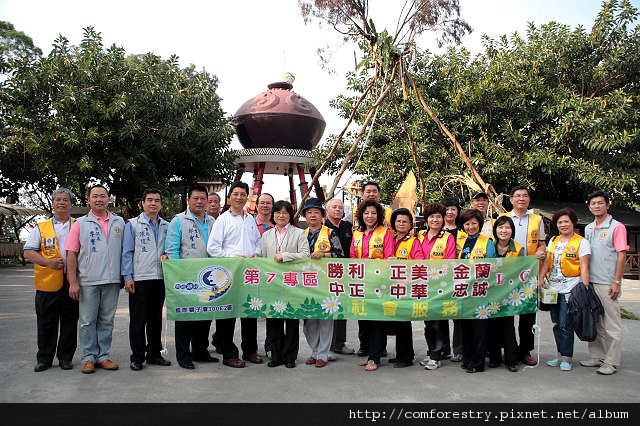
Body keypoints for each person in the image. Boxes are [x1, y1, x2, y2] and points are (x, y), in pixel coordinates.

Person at [65, 184, 125, 374]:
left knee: (107, 320)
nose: (99, 199)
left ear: (108, 199)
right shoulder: (80, 224)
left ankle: (103, 356)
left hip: (112, 281)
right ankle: (88, 357)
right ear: (89, 200)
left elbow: (126, 251)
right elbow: (71, 254)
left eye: (103, 196)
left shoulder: (119, 222)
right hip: (88, 281)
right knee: (87, 320)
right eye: (95, 196)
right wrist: (73, 282)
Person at [207, 181, 262, 368]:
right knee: (227, 315)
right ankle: (228, 353)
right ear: (230, 196)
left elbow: (257, 242)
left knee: (250, 312)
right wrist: (232, 258)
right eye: (236, 194)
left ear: (247, 197)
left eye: (243, 194)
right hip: (228, 274)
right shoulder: (223, 219)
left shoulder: (250, 219)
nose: (239, 197)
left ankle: (250, 350)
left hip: (248, 274)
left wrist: (256, 253)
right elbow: (213, 248)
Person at [24, 188, 79, 372]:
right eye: (58, 200)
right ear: (53, 203)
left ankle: (65, 358)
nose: (61, 203)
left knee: (70, 321)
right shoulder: (41, 227)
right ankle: (44, 359)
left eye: (65, 200)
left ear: (71, 204)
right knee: (46, 322)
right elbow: (28, 252)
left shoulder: (78, 225)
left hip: (71, 280)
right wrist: (48, 262)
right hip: (47, 283)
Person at [165, 185, 218, 369]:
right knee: (185, 317)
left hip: (208, 277)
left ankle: (200, 351)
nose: (199, 202)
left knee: (205, 315)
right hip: (186, 278)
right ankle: (183, 355)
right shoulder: (178, 221)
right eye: (195, 198)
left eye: (203, 199)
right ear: (188, 200)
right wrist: (178, 275)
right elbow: (172, 250)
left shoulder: (212, 221)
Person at [121, 188, 171, 371]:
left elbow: (169, 249)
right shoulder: (133, 224)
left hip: (160, 278)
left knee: (156, 319)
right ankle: (137, 356)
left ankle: (154, 354)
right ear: (142, 203)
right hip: (140, 278)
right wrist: (127, 277)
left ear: (161, 204)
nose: (153, 203)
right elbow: (127, 253)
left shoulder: (167, 226)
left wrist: (167, 256)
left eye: (157, 200)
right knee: (138, 320)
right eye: (149, 200)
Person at [582, 190, 628, 375]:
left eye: (600, 203)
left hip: (607, 282)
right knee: (594, 321)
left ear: (607, 205)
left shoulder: (617, 227)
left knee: (611, 324)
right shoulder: (588, 228)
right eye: (593, 203)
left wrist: (617, 281)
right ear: (589, 207)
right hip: (590, 281)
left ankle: (611, 361)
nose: (597, 206)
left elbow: (621, 255)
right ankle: (597, 356)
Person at [261, 200, 310, 368]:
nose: (281, 215)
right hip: (272, 282)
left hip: (292, 282)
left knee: (291, 320)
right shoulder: (266, 235)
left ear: (290, 215)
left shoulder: (299, 233)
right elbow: (263, 258)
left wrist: (286, 256)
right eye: (277, 212)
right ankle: (276, 356)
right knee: (273, 320)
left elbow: (305, 254)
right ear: (273, 215)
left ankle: (290, 357)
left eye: (285, 212)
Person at [541, 208, 590, 371]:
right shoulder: (553, 240)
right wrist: (541, 277)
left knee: (565, 323)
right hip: (553, 289)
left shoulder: (581, 242)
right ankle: (559, 355)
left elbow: (584, 265)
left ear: (573, 222)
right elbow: (547, 261)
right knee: (556, 323)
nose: (563, 225)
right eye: (560, 222)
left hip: (571, 289)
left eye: (566, 221)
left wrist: (585, 287)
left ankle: (567, 358)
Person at [350, 200, 394, 371]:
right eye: (366, 213)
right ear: (361, 215)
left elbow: (389, 256)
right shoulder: (357, 234)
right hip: (362, 283)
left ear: (379, 215)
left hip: (379, 283)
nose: (370, 216)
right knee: (365, 320)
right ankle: (370, 353)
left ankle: (375, 358)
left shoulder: (385, 232)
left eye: (373, 213)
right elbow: (353, 257)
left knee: (377, 321)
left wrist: (373, 265)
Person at [507, 185, 547, 366]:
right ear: (511, 200)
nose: (521, 199)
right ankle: (509, 349)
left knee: (528, 313)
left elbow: (542, 244)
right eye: (517, 196)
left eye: (525, 196)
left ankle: (525, 350)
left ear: (529, 199)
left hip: (530, 274)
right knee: (506, 313)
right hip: (508, 273)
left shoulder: (537, 220)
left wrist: (540, 251)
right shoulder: (503, 218)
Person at [302, 198, 343, 368]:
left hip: (326, 281)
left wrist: (324, 255)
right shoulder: (301, 234)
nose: (313, 215)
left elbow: (340, 256)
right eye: (309, 212)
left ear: (322, 215)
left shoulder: (330, 233)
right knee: (309, 319)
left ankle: (323, 354)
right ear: (305, 216)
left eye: (316, 212)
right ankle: (314, 351)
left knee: (325, 318)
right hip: (305, 282)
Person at [457, 208, 496, 373]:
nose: (471, 227)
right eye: (467, 224)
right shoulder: (461, 242)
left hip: (481, 292)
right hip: (465, 292)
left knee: (479, 329)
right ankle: (467, 359)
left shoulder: (487, 242)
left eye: (474, 223)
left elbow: (492, 266)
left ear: (479, 224)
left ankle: (477, 363)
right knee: (465, 328)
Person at [418, 203, 456, 370]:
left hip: (440, 286)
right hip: (422, 285)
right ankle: (432, 351)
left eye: (438, 217)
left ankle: (436, 356)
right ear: (426, 219)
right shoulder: (420, 236)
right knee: (428, 322)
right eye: (431, 216)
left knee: (437, 322)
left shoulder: (448, 238)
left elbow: (450, 262)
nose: (435, 220)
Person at [387, 208, 423, 368]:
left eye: (405, 221)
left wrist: (400, 262)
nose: (401, 224)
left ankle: (406, 357)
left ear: (410, 224)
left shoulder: (413, 242)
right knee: (395, 321)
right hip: (391, 286)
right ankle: (399, 354)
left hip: (405, 287)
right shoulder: (390, 239)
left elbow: (419, 262)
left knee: (404, 322)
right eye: (398, 221)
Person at [488, 215, 524, 372]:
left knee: (508, 326)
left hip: (509, 293)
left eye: (507, 227)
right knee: (492, 325)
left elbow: (523, 271)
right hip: (491, 292)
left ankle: (511, 360)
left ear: (512, 230)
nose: (504, 231)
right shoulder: (489, 245)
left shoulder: (518, 249)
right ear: (495, 230)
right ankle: (494, 358)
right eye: (500, 227)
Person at [325, 198, 355, 355]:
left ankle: (340, 343)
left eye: (340, 207)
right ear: (327, 210)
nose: (337, 209)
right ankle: (327, 346)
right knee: (329, 309)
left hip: (346, 275)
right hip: (327, 275)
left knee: (342, 309)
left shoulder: (347, 226)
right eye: (334, 207)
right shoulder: (323, 227)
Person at [440, 196, 464, 362]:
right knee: (440, 314)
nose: (449, 212)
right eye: (446, 209)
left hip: (459, 278)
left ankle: (459, 349)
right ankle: (443, 349)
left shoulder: (463, 231)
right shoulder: (435, 230)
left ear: (458, 211)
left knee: (459, 315)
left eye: (453, 209)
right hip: (439, 278)